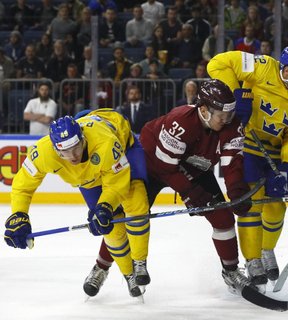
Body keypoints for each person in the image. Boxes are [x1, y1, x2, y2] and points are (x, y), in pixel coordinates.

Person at [83, 79, 256, 296]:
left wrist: (236, 192)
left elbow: (232, 164)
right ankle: (101, 267)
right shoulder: (180, 121)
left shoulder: (231, 125)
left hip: (192, 165)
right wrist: (192, 193)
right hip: (152, 163)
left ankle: (231, 272)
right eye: (222, 116)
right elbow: (166, 168)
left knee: (223, 217)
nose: (228, 120)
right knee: (131, 218)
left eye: (229, 115)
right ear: (204, 110)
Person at [207, 44, 288, 292]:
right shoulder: (262, 66)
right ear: (287, 70)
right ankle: (252, 259)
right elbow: (217, 63)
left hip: (274, 152)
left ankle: (266, 250)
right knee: (252, 203)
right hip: (246, 144)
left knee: (276, 208)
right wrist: (235, 96)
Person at [4, 111, 151, 299]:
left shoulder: (104, 142)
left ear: (82, 138)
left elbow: (116, 183)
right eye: (64, 151)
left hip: (124, 150)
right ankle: (129, 273)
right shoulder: (43, 152)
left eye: (75, 147)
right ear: (55, 149)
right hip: (89, 177)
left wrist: (105, 205)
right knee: (109, 227)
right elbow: (22, 186)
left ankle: (139, 261)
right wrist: (19, 215)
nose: (72, 156)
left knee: (135, 203)